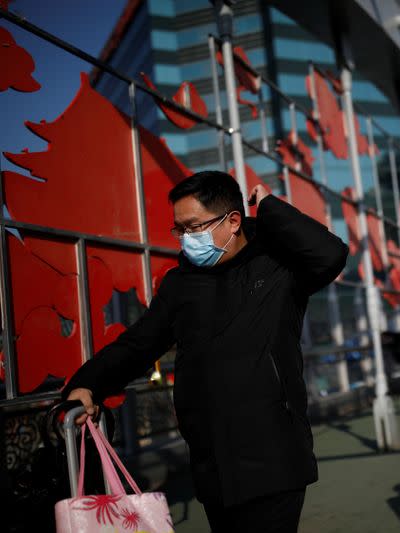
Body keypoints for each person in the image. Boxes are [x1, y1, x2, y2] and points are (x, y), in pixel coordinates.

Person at [62, 171, 348, 532]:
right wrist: (87, 383)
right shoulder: (181, 283)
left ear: (232, 221)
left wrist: (271, 208)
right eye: (179, 229)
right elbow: (139, 344)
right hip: (212, 462)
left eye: (193, 227)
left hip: (274, 455)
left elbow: (331, 253)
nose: (185, 238)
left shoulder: (280, 266)